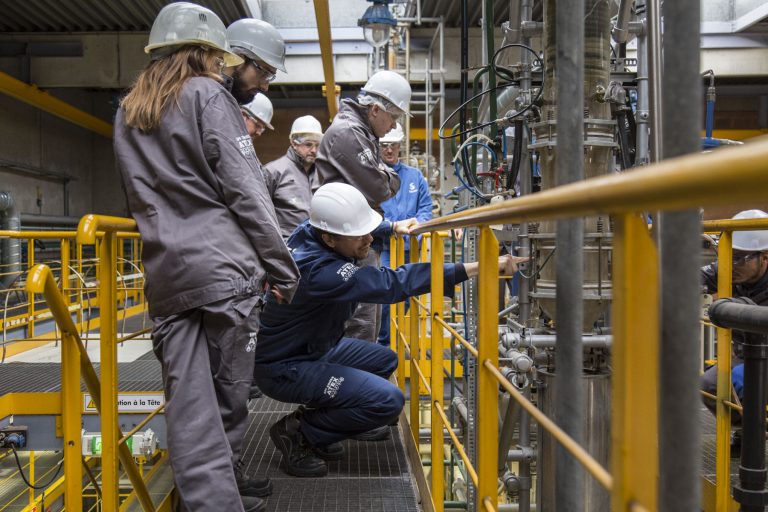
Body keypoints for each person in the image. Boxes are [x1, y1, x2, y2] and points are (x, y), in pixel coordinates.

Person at [114, 4, 299, 511]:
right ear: (206, 54)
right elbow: (245, 189)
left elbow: (137, 193)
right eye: (219, 59)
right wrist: (283, 267)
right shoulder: (207, 96)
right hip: (225, 275)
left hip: (168, 277)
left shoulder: (128, 111)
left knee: (191, 409)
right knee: (228, 401)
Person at [252, 183, 526, 478]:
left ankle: (327, 420)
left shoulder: (312, 231)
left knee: (384, 359)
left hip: (311, 346)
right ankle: (300, 432)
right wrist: (477, 266)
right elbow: (391, 283)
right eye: (360, 235)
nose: (369, 239)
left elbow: (357, 233)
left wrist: (391, 227)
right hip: (286, 366)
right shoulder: (320, 273)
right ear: (330, 239)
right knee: (388, 400)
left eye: (369, 230)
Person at [315, 70, 413, 342]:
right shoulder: (350, 133)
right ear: (374, 109)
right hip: (346, 242)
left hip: (355, 238)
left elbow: (384, 179)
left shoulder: (360, 132)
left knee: (366, 318)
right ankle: (353, 380)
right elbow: (383, 187)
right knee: (359, 322)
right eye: (393, 117)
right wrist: (387, 174)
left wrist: (383, 171)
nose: (393, 126)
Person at [700, 210, 768, 452]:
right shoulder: (729, 267)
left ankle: (756, 430)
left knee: (744, 382)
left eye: (740, 257)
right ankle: (749, 430)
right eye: (730, 254)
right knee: (710, 385)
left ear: (764, 257)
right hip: (744, 351)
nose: (732, 263)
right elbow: (696, 277)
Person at [376, 123, 434, 346]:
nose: (389, 150)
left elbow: (426, 208)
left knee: (407, 295)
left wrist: (418, 229)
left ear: (401, 146)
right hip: (384, 247)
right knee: (384, 295)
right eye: (385, 145)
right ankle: (383, 344)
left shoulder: (414, 176)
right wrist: (391, 226)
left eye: (394, 145)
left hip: (412, 247)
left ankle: (394, 342)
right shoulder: (373, 176)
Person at [262, 115, 323, 239]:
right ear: (294, 143)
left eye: (317, 145)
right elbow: (259, 213)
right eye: (308, 145)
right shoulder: (273, 171)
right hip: (286, 246)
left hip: (315, 247)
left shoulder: (321, 173)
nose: (314, 150)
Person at [225, 18, 285, 105]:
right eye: (265, 72)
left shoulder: (225, 105)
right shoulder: (204, 98)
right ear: (237, 58)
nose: (265, 87)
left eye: (270, 76)